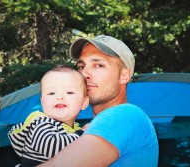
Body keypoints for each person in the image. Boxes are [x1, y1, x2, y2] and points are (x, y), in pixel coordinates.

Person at [38, 35, 159, 167]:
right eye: (81, 66)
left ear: (124, 76)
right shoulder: (93, 126)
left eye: (99, 65)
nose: (84, 74)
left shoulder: (124, 115)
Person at [8, 66, 89, 167]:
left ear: (84, 103)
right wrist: (83, 134)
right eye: (51, 93)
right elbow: (53, 147)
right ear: (42, 102)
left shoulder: (74, 129)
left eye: (69, 92)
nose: (59, 97)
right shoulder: (41, 123)